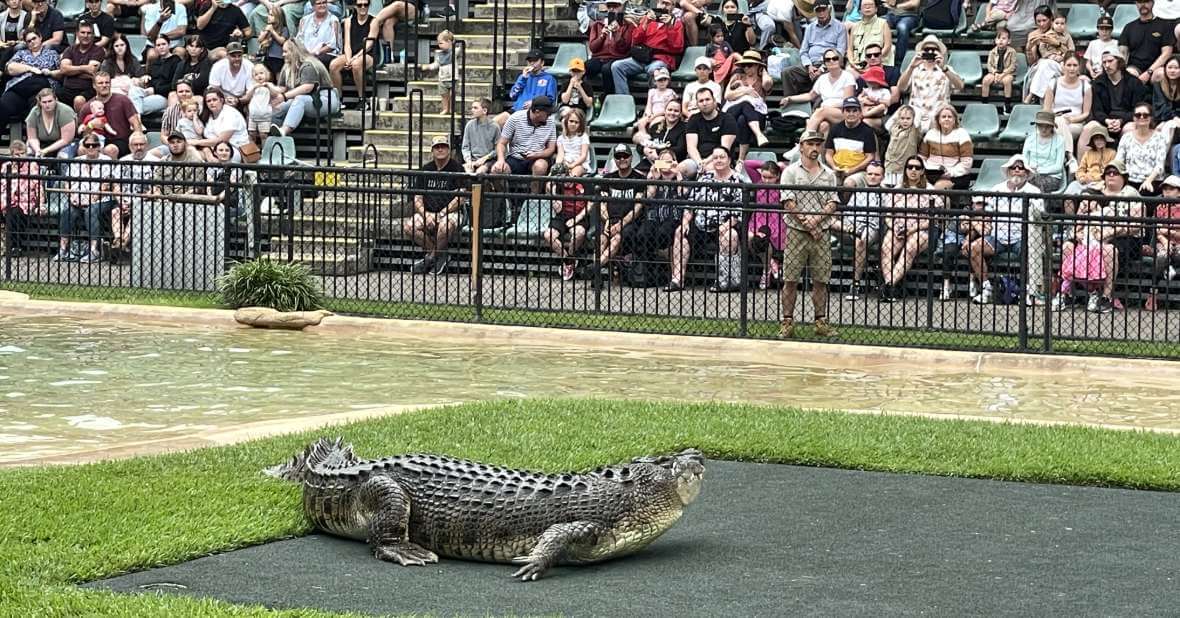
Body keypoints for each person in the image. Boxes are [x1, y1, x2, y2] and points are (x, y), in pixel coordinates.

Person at [778, 129, 839, 338]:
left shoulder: (828, 174)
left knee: (821, 279)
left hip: (820, 231)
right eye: (810, 144)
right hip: (797, 232)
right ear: (801, 146)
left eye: (818, 144)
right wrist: (808, 223)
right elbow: (788, 201)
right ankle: (787, 321)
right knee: (790, 278)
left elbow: (833, 202)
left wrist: (816, 221)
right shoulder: (790, 172)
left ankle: (820, 321)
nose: (815, 148)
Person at [967, 154, 1044, 305]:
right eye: (1013, 168)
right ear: (1008, 171)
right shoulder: (997, 189)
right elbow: (987, 214)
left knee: (1032, 252)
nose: (1016, 170)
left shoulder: (1034, 191)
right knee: (974, 248)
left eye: (1020, 168)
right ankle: (986, 287)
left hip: (1022, 237)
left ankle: (1029, 291)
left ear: (1026, 173)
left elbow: (1039, 216)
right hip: (997, 237)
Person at [670, 146, 743, 292]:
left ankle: (724, 281)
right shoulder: (704, 178)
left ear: (729, 160)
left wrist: (727, 225)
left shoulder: (738, 180)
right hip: (700, 225)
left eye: (722, 157)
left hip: (724, 225)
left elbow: (739, 212)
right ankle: (678, 279)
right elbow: (690, 204)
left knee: (731, 236)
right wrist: (685, 222)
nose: (718, 160)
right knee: (680, 232)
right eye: (715, 157)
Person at [405, 135, 465, 276]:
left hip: (451, 213)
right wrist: (425, 214)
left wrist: (442, 213)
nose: (440, 149)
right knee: (409, 227)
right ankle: (440, 255)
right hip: (428, 213)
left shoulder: (457, 168)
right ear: (432, 151)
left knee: (445, 226)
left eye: (443, 146)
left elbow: (460, 197)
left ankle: (430, 258)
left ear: (449, 150)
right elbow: (417, 197)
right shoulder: (426, 169)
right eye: (437, 147)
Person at [879, 155, 936, 302]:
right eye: (910, 167)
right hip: (899, 227)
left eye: (917, 168)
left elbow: (933, 219)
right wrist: (894, 227)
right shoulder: (898, 189)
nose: (913, 170)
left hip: (922, 228)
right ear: (905, 170)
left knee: (910, 248)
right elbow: (888, 215)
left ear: (923, 171)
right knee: (886, 248)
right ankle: (891, 289)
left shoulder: (930, 190)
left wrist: (912, 229)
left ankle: (888, 285)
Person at [590, 143, 646, 285]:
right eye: (618, 156)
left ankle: (594, 269)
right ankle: (596, 276)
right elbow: (602, 203)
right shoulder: (608, 178)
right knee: (601, 239)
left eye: (625, 156)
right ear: (614, 159)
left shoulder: (639, 179)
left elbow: (638, 207)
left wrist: (621, 223)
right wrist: (607, 220)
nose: (622, 159)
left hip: (629, 223)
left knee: (616, 238)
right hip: (609, 219)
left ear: (631, 158)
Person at [55, 135, 114, 264]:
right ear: (84, 147)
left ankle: (94, 251)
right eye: (87, 145)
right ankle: (63, 249)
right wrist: (71, 197)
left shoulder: (107, 160)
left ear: (99, 147)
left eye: (94, 145)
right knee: (67, 211)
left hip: (101, 199)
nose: (91, 148)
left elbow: (106, 185)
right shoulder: (76, 161)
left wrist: (92, 198)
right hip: (78, 198)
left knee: (91, 211)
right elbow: (67, 183)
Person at [609, 0, 685, 97]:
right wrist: (645, 24)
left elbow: (677, 48)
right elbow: (635, 40)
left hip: (661, 58)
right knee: (616, 66)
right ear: (657, 3)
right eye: (662, 3)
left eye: (667, 4)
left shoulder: (676, 23)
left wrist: (669, 26)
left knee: (653, 70)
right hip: (642, 57)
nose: (663, 7)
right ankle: (624, 100)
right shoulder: (648, 20)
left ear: (673, 7)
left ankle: (654, 102)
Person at [1080, 50, 1149, 157]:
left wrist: (1121, 121)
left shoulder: (1134, 82)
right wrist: (1107, 121)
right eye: (1104, 62)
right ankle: (1081, 170)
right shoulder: (1098, 83)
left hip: (1126, 120)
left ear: (1119, 61)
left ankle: (1130, 169)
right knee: (1089, 127)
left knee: (1130, 128)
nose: (1107, 65)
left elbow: (1138, 109)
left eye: (1110, 61)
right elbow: (1097, 110)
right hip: (1105, 121)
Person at [833, 160, 884, 299]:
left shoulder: (885, 194)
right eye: (870, 174)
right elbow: (848, 214)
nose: (873, 177)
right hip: (850, 227)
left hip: (871, 230)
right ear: (865, 175)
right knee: (827, 219)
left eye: (877, 175)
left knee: (861, 240)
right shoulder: (858, 192)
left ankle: (855, 284)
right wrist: (849, 226)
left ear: (882, 177)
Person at [269, 40, 341, 136]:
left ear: (294, 51)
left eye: (286, 51)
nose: (283, 54)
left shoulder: (308, 64)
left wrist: (284, 97)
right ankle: (274, 138)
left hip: (325, 99)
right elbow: (282, 88)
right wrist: (268, 88)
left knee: (299, 99)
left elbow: (307, 87)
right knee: (277, 108)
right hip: (309, 100)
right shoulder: (287, 67)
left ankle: (284, 130)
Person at [491, 95, 557, 193]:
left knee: (540, 166)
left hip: (537, 157)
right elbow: (501, 143)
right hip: (515, 157)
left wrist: (537, 154)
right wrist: (500, 160)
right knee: (495, 171)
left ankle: (533, 200)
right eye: (547, 113)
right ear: (537, 112)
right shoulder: (515, 118)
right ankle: (506, 200)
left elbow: (551, 149)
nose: (549, 115)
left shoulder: (550, 122)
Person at [898, 35, 963, 133]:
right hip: (916, 117)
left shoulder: (946, 69)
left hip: (938, 118)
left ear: (939, 52)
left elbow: (960, 86)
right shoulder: (914, 69)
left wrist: (944, 68)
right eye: (927, 49)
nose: (930, 52)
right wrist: (911, 67)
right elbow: (901, 87)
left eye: (934, 49)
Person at [780, 0, 845, 98]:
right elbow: (803, 51)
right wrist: (809, 66)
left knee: (820, 76)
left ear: (829, 9)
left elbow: (840, 52)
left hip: (829, 64)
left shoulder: (840, 27)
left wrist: (822, 68)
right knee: (787, 72)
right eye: (818, 11)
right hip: (810, 65)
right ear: (815, 12)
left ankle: (817, 106)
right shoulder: (810, 28)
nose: (821, 13)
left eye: (824, 10)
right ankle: (791, 103)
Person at [783, 49, 855, 133]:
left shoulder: (847, 76)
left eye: (834, 58)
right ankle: (817, 145)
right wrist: (790, 98)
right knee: (823, 126)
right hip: (825, 113)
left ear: (840, 60)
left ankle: (803, 140)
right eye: (828, 60)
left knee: (820, 111)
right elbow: (810, 96)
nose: (831, 61)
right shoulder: (822, 78)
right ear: (824, 63)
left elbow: (847, 102)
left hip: (844, 112)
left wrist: (827, 108)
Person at [112, 131, 157, 262]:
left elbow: (156, 188)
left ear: (147, 145)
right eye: (135, 144)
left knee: (136, 214)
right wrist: (121, 201)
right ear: (130, 146)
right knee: (115, 212)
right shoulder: (123, 161)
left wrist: (138, 201)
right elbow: (116, 185)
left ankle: (120, 244)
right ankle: (119, 240)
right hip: (125, 200)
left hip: (144, 202)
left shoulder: (155, 162)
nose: (139, 147)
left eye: (141, 144)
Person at [0, 30, 61, 128]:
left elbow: (61, 73)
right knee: (3, 105)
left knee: (37, 104)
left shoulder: (52, 54)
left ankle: (36, 141)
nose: (32, 42)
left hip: (41, 88)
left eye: (34, 38)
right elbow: (9, 68)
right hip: (19, 88)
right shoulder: (21, 53)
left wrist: (49, 72)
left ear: (40, 38)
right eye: (29, 41)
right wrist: (31, 68)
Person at [80, 71, 143, 158]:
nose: (104, 85)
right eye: (100, 83)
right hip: (96, 142)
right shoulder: (88, 107)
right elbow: (83, 135)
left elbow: (135, 122)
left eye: (107, 82)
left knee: (110, 150)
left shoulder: (122, 100)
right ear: (94, 85)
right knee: (81, 149)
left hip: (120, 140)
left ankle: (112, 172)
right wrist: (90, 125)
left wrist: (139, 140)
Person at [723, 50, 772, 159]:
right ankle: (759, 134)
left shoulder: (762, 79)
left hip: (756, 114)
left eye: (749, 65)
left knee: (742, 120)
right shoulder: (737, 76)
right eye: (744, 65)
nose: (746, 68)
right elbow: (727, 95)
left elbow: (767, 83)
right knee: (745, 103)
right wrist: (745, 91)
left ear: (757, 66)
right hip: (733, 110)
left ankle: (739, 160)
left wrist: (763, 70)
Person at [0, 141, 45, 258]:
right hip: (6, 198)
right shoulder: (6, 166)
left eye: (22, 153)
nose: (20, 156)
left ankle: (16, 246)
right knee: (7, 210)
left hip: (25, 200)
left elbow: (38, 185)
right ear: (12, 154)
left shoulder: (32, 165)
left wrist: (41, 203)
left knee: (14, 213)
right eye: (17, 154)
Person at [543, 173, 589, 282]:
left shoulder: (583, 184)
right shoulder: (558, 186)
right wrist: (552, 193)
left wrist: (576, 219)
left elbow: (589, 205)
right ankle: (568, 260)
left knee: (579, 233)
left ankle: (571, 256)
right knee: (548, 235)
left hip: (579, 216)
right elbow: (558, 209)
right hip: (562, 216)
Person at [1042, 55, 1091, 157]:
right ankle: (1069, 157)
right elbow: (1046, 110)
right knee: (1059, 122)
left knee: (1061, 131)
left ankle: (1061, 159)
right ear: (1063, 66)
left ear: (1079, 67)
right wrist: (1057, 118)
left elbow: (1086, 113)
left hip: (1076, 122)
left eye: (1075, 65)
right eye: (1069, 65)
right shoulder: (1053, 84)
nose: (1072, 68)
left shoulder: (1086, 86)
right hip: (1055, 120)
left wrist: (1072, 119)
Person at [748, 160, 786, 290]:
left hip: (775, 219)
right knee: (751, 238)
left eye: (771, 177)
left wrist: (781, 167)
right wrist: (764, 165)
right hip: (759, 218)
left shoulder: (782, 183)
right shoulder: (758, 181)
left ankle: (766, 272)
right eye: (764, 176)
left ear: (777, 177)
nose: (767, 180)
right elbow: (747, 164)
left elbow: (788, 170)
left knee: (768, 242)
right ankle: (770, 264)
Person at [684, 87, 737, 177]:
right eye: (701, 101)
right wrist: (700, 162)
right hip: (698, 160)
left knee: (708, 170)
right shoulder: (693, 119)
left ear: (714, 101)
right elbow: (691, 147)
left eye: (707, 99)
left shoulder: (728, 119)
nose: (704, 103)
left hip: (719, 159)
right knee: (680, 168)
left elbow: (724, 149)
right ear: (697, 104)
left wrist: (707, 161)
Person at [1117, 102, 1169, 195]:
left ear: (1151, 118)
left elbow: (1160, 166)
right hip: (1130, 181)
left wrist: (1148, 181)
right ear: (1134, 118)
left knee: (1145, 192)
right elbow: (1118, 161)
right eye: (1138, 115)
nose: (1141, 117)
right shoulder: (1126, 137)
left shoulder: (1160, 138)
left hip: (1153, 181)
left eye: (1145, 115)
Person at [1144, 174, 1180, 310]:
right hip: (1164, 245)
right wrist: (1166, 241)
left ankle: (1168, 267)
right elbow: (1159, 231)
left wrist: (1169, 232)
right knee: (1162, 256)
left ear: (1179, 191)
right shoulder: (1160, 207)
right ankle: (1153, 293)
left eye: (1171, 189)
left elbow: (1166, 230)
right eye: (1165, 189)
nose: (1167, 192)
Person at [584, 0, 635, 95]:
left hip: (618, 57)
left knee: (607, 69)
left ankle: (609, 96)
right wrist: (602, 36)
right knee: (585, 67)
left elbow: (625, 48)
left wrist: (616, 34)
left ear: (621, 7)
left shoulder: (628, 25)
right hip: (599, 57)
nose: (612, 9)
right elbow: (593, 48)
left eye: (615, 6)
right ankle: (584, 96)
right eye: (609, 6)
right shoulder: (598, 25)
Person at [918, 104, 973, 191]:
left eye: (950, 117)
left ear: (954, 120)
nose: (946, 119)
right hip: (932, 173)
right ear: (938, 120)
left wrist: (951, 172)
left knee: (938, 188)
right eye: (943, 117)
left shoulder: (962, 134)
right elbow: (922, 157)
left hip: (955, 175)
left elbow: (966, 163)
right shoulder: (930, 134)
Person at [824, 97, 877, 184]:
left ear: (860, 112)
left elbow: (870, 156)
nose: (851, 114)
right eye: (848, 111)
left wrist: (852, 170)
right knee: (827, 181)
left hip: (858, 171)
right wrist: (834, 167)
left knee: (849, 183)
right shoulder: (835, 129)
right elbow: (828, 154)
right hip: (837, 169)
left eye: (854, 111)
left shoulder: (867, 131)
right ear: (843, 112)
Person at [496, 49, 557, 125]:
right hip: (518, 109)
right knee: (495, 122)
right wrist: (523, 78)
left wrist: (535, 103)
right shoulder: (523, 77)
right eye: (530, 61)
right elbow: (512, 95)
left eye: (535, 61)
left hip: (536, 111)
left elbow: (551, 99)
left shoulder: (549, 78)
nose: (532, 63)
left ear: (542, 62)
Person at [1119, 0, 1174, 84]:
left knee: (1161, 74)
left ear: (1152, 3)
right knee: (1129, 73)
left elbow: (1167, 53)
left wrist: (1149, 72)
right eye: (1139, 2)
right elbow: (1122, 53)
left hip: (1156, 68)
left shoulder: (1164, 25)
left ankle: (1158, 98)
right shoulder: (1129, 27)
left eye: (1146, 1)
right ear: (1136, 4)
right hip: (1135, 68)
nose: (1143, 5)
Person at [57, 20, 106, 112]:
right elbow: (63, 69)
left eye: (89, 33)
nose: (85, 36)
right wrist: (84, 68)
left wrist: (71, 71)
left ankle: (80, 124)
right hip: (67, 88)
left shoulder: (98, 50)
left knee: (79, 100)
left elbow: (92, 71)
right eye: (83, 32)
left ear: (93, 35)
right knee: (48, 97)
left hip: (87, 89)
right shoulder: (70, 49)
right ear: (77, 34)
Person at [1025, 11, 1074, 104]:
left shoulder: (1067, 36)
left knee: (1047, 66)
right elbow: (1042, 48)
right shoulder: (1047, 35)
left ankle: (1032, 94)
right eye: (1057, 23)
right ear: (1052, 23)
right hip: (1049, 60)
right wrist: (1049, 56)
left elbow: (1071, 51)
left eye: (1062, 23)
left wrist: (1063, 56)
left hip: (1061, 62)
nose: (1059, 26)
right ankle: (1045, 106)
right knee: (1047, 68)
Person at [192, 87, 249, 160]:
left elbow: (221, 140)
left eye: (214, 100)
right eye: (208, 101)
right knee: (192, 153)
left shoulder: (231, 113)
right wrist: (207, 151)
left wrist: (196, 142)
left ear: (221, 100)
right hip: (213, 149)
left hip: (232, 149)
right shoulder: (208, 115)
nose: (211, 103)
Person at [1065, 127, 1117, 199]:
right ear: (1093, 141)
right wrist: (1082, 177)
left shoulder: (1112, 153)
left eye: (1101, 138)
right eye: (1096, 139)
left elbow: (1111, 171)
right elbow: (1080, 169)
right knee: (1071, 188)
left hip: (1102, 182)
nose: (1099, 141)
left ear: (1105, 140)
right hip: (1086, 180)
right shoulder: (1088, 153)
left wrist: (1094, 178)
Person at [24, 88, 75, 158]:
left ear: (56, 100)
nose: (47, 104)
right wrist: (38, 150)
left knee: (63, 156)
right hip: (41, 143)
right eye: (44, 102)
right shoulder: (34, 112)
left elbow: (66, 140)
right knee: (28, 151)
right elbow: (32, 138)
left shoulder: (65, 111)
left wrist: (46, 150)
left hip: (63, 144)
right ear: (39, 102)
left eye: (50, 101)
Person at [1023, 111, 1066, 192]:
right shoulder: (1030, 139)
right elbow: (1024, 161)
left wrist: (1039, 171)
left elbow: (1058, 167)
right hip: (1031, 174)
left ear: (1052, 127)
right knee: (1017, 181)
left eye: (1047, 126)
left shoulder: (1060, 140)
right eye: (1040, 126)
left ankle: (1037, 204)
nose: (1044, 129)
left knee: (1035, 184)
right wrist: (1030, 170)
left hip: (1052, 176)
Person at [981, 27, 1017, 114]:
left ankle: (1007, 104)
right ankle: (985, 103)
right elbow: (989, 65)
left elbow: (1013, 66)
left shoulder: (1012, 51)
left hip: (1008, 73)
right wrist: (995, 73)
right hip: (995, 72)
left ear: (1009, 41)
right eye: (998, 38)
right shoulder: (992, 52)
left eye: (1004, 38)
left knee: (1007, 81)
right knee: (986, 80)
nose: (1000, 41)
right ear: (995, 40)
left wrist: (1003, 74)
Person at [208, 40, 255, 107]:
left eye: (239, 56)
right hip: (222, 98)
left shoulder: (249, 66)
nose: (237, 59)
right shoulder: (218, 66)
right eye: (233, 56)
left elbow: (250, 91)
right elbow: (213, 88)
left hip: (243, 99)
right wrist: (224, 100)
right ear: (227, 56)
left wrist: (238, 101)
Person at [882, 104, 920, 187]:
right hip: (892, 164)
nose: (905, 121)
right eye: (902, 118)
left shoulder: (914, 130)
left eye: (908, 118)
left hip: (905, 165)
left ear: (913, 119)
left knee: (901, 187)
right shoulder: (894, 128)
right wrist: (901, 109)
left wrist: (910, 106)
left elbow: (919, 118)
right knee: (889, 186)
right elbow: (888, 124)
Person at [846, 0, 891, 68]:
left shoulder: (883, 23)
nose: (867, 7)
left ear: (876, 9)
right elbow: (850, 49)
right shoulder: (855, 26)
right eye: (864, 6)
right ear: (860, 10)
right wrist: (852, 62)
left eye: (870, 5)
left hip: (876, 64)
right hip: (857, 64)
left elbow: (887, 46)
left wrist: (872, 60)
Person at [461, 98, 498, 174]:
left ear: (484, 111)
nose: (472, 110)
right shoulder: (469, 125)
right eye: (472, 108)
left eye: (475, 108)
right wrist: (468, 160)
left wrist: (485, 158)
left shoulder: (494, 127)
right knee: (467, 171)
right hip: (472, 159)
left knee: (480, 172)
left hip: (489, 160)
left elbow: (497, 149)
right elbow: (465, 147)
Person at [636, 67, 676, 135]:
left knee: (654, 123)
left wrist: (654, 116)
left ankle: (652, 137)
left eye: (665, 80)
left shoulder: (670, 92)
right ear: (655, 82)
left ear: (668, 81)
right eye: (660, 80)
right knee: (640, 123)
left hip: (662, 114)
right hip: (651, 114)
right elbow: (649, 105)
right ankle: (644, 136)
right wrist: (648, 114)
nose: (662, 82)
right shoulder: (652, 91)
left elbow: (668, 108)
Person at [246, 64, 280, 142]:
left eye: (261, 73)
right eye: (256, 74)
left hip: (265, 115)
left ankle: (265, 151)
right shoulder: (253, 86)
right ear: (253, 77)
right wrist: (254, 87)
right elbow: (247, 96)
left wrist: (268, 86)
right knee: (251, 133)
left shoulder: (269, 85)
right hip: (253, 115)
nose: (259, 76)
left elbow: (276, 93)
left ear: (266, 74)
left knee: (263, 135)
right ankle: (252, 153)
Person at [882, 0, 920, 64]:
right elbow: (889, 2)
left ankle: (899, 62)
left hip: (909, 16)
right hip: (891, 15)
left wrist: (897, 6)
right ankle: (874, 56)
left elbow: (914, 3)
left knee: (902, 27)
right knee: (876, 22)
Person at [555, 108, 590, 177]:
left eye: (576, 122)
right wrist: (559, 165)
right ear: (566, 121)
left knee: (571, 177)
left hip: (580, 164)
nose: (573, 124)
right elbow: (560, 155)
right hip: (565, 164)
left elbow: (583, 156)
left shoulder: (583, 137)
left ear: (580, 124)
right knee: (551, 183)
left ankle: (576, 186)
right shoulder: (560, 138)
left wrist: (572, 165)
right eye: (571, 121)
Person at [1083, 15, 1119, 80]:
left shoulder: (1116, 43)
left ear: (1111, 30)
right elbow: (1088, 61)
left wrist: (1103, 72)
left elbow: (1118, 64)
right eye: (1102, 28)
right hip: (1094, 72)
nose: (1104, 31)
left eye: (1107, 29)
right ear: (1098, 29)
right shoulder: (1093, 43)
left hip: (1109, 74)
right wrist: (1091, 70)